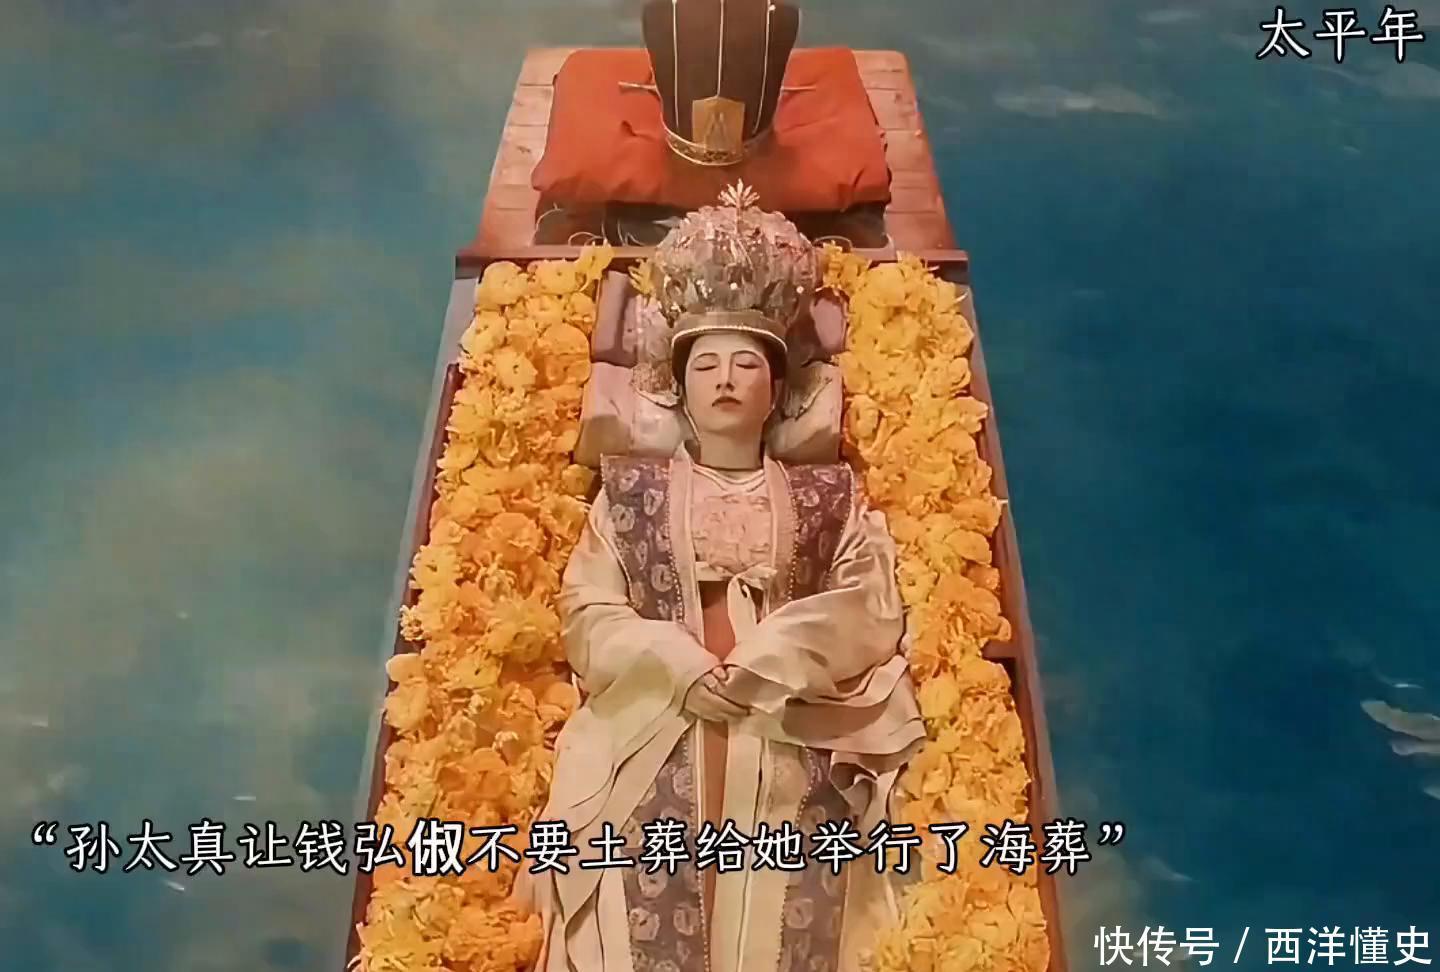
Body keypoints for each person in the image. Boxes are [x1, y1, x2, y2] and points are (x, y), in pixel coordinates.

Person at [515, 184, 925, 972]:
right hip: (656, 716)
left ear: (778, 388)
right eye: (706, 364)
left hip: (788, 716)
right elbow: (588, 610)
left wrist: (772, 657)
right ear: (679, 385)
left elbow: (870, 605)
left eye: (746, 364)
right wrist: (675, 660)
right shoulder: (629, 490)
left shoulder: (828, 494)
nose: (726, 379)